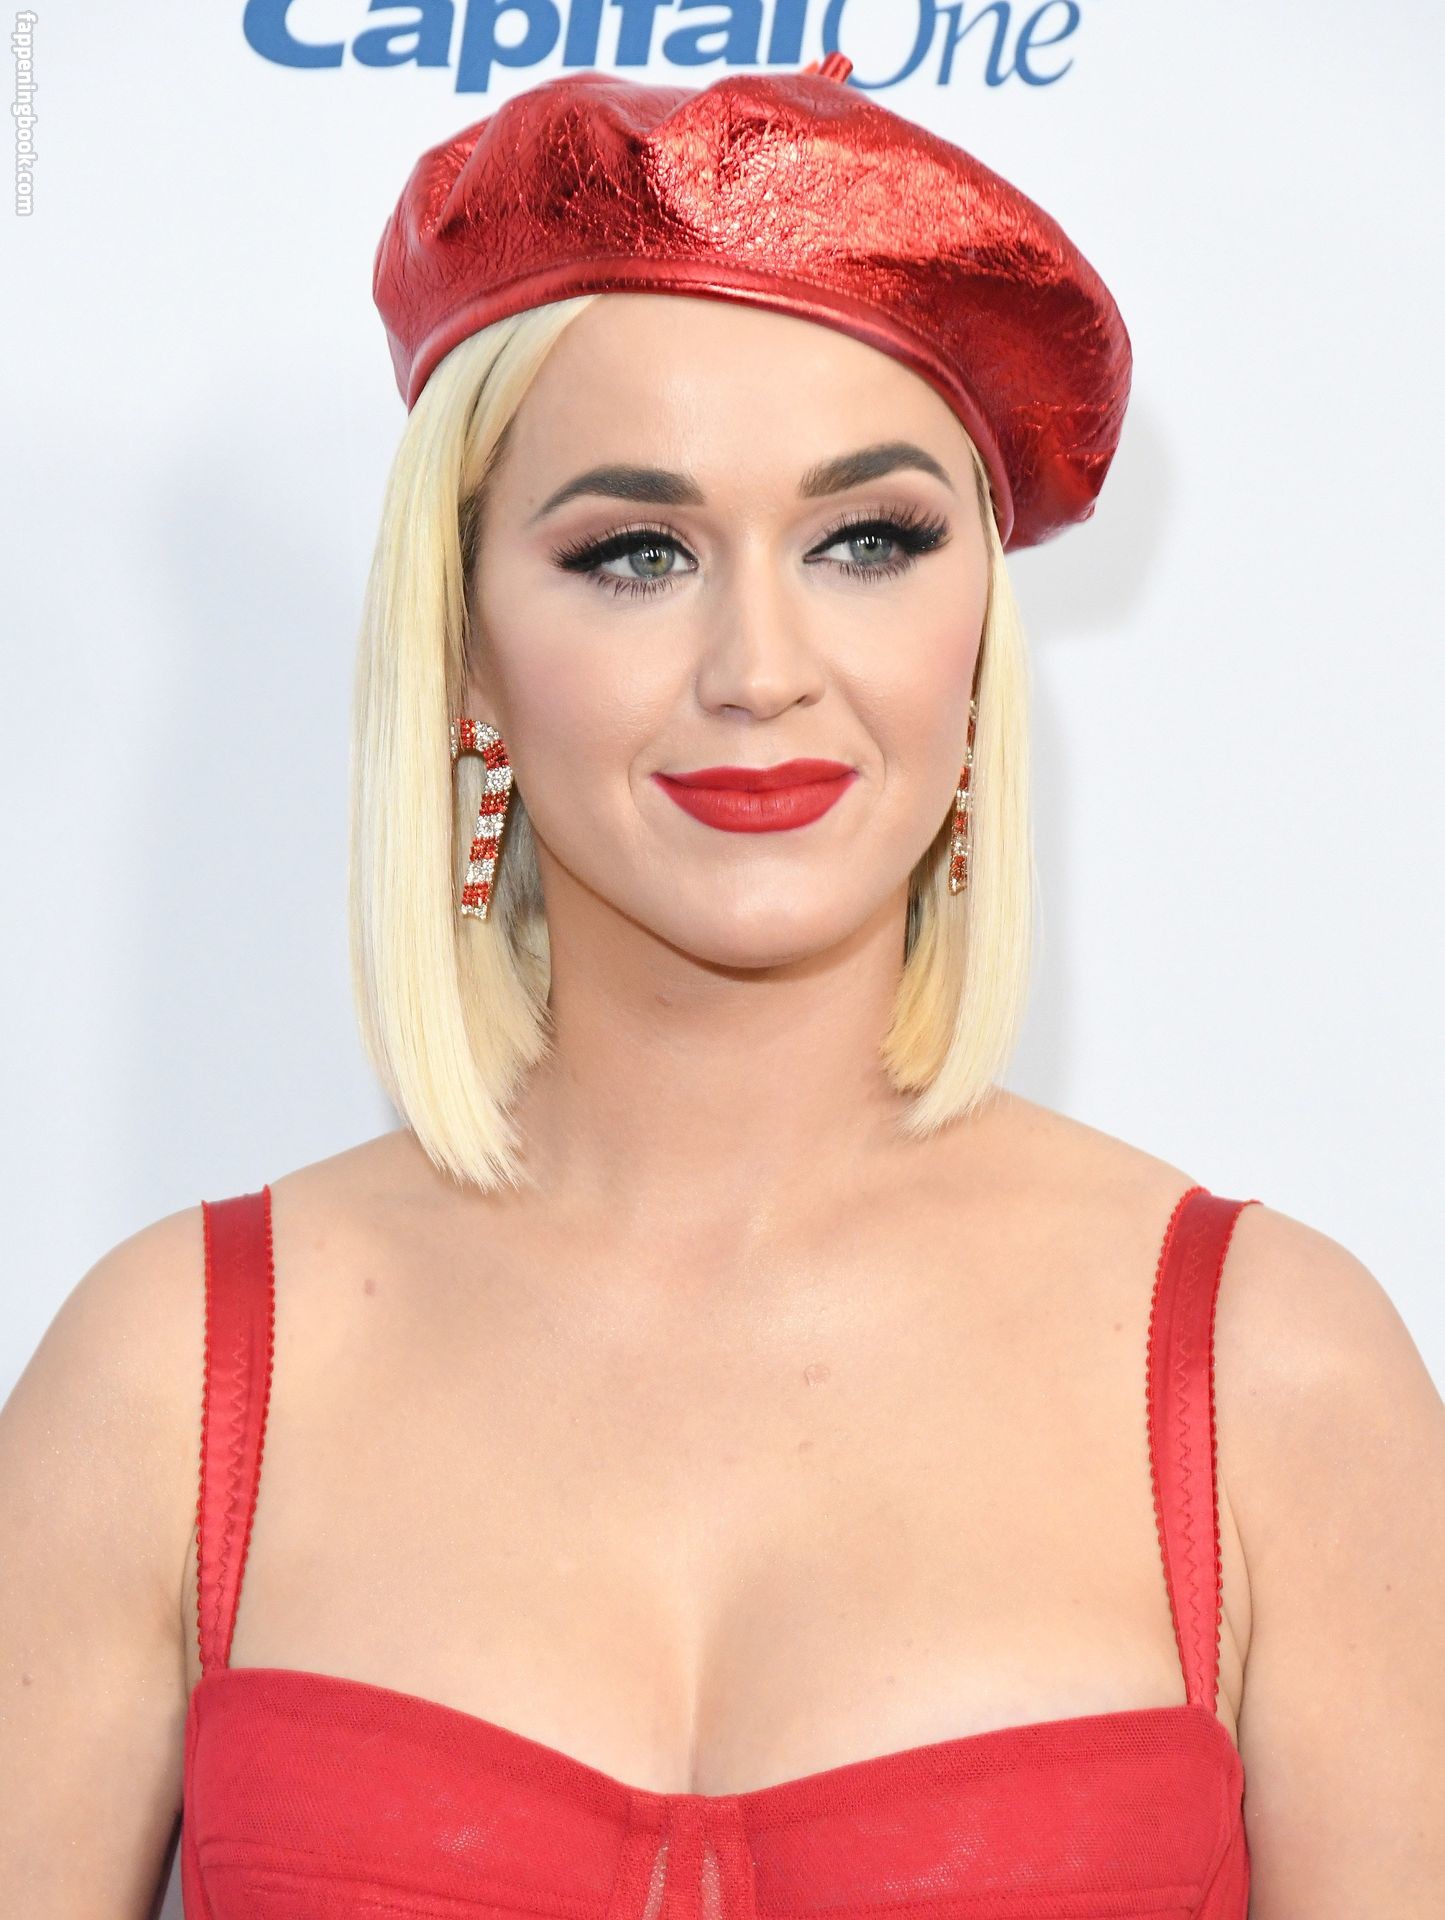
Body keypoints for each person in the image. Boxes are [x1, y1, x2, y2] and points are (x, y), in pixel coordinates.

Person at [3, 52, 1442, 1920]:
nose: (759, 665)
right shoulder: (169, 1381)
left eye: (867, 541)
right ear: (467, 648)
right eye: (635, 553)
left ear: (975, 633)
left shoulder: (1276, 1384)